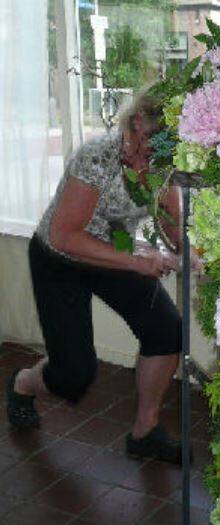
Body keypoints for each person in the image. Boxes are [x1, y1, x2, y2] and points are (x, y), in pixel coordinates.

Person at [6, 92, 196, 466]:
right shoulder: (97, 157)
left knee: (167, 330)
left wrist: (189, 252)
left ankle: (145, 432)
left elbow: (169, 218)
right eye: (151, 142)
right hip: (59, 259)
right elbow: (65, 235)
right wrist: (136, 261)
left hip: (114, 253)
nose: (154, 156)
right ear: (137, 122)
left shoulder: (162, 161)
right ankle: (22, 383)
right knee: (74, 375)